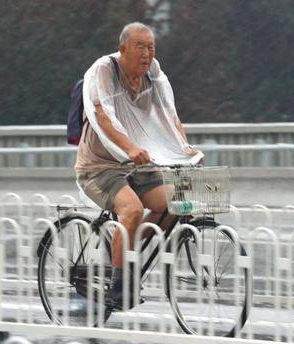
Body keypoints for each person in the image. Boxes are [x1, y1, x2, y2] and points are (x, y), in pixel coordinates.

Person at [75, 22, 203, 309]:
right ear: (123, 49)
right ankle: (120, 288)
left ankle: (126, 250)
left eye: (151, 47)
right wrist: (130, 147)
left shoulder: (153, 75)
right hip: (100, 166)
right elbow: (103, 116)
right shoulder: (104, 71)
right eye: (140, 47)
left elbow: (170, 115)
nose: (147, 53)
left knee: (176, 204)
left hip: (139, 163)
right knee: (131, 209)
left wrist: (185, 149)